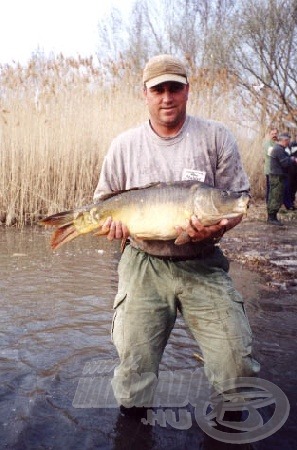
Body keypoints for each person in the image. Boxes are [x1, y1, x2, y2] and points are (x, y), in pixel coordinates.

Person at [93, 54, 260, 416]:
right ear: (145, 94)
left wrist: (218, 226)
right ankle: (134, 426)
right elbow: (103, 205)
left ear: (187, 90)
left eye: (175, 88)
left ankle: (230, 422)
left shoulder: (216, 136)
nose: (167, 97)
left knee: (236, 368)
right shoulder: (124, 145)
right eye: (158, 90)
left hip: (203, 262)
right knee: (135, 369)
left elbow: (236, 202)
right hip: (143, 263)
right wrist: (111, 227)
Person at [267, 132, 297, 225]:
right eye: (288, 140)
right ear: (284, 140)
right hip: (277, 176)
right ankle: (272, 218)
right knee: (275, 196)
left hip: (277, 175)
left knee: (276, 196)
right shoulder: (278, 149)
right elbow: (285, 163)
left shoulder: (279, 148)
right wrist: (293, 159)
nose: (289, 142)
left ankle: (272, 216)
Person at [263, 127, 278, 203]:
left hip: (276, 170)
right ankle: (268, 203)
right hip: (269, 169)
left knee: (275, 187)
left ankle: (274, 202)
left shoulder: (276, 143)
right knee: (270, 187)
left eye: (275, 133)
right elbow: (272, 153)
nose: (274, 135)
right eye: (272, 134)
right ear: (269, 134)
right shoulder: (267, 143)